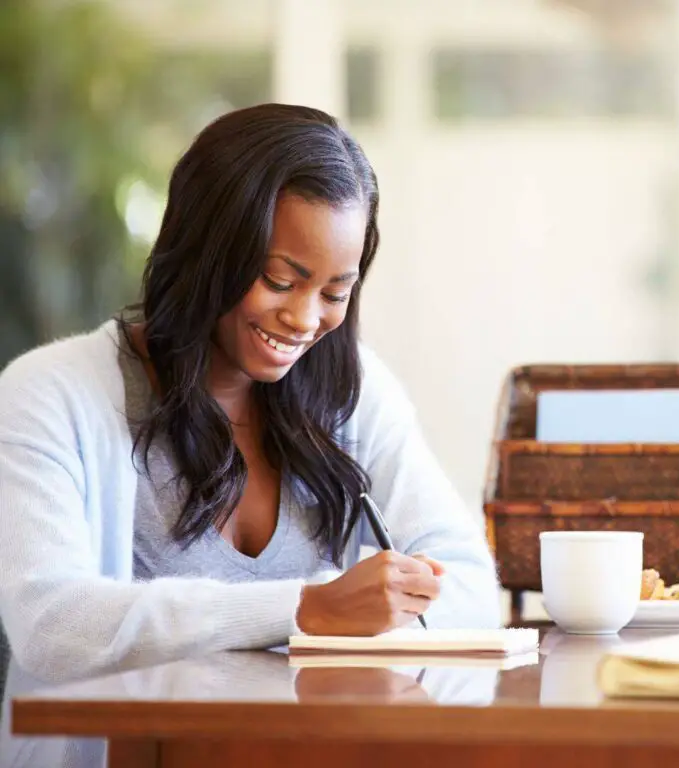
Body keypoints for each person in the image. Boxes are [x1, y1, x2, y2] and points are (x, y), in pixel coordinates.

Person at [0, 103, 500, 684]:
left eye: (335, 292)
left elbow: (466, 584)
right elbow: (53, 627)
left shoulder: (354, 395)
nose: (304, 318)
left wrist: (372, 604)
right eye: (280, 281)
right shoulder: (48, 396)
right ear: (207, 251)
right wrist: (305, 610)